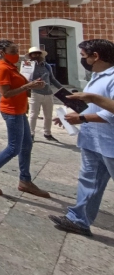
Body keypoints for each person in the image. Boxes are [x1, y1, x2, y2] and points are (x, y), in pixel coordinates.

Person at [49, 39, 114, 237]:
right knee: (89, 180)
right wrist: (72, 115)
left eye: (84, 56)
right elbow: (94, 106)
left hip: (110, 142)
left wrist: (82, 117)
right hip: (92, 139)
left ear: (96, 56)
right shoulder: (96, 76)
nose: (82, 60)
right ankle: (79, 220)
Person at [0, 40, 50, 198]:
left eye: (17, 50)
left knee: (26, 145)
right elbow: (6, 93)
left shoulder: (12, 67)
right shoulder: (3, 68)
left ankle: (25, 180)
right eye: (13, 50)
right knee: (14, 148)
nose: (16, 53)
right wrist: (28, 87)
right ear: (2, 52)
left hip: (20, 110)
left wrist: (31, 84)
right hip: (11, 111)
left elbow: (19, 87)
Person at [25, 46, 63, 142]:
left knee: (48, 115)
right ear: (30, 55)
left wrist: (62, 89)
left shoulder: (47, 66)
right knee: (33, 115)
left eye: (38, 53)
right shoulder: (28, 66)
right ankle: (31, 134)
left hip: (48, 93)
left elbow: (52, 79)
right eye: (34, 54)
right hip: (36, 92)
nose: (37, 55)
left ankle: (47, 133)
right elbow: (25, 79)